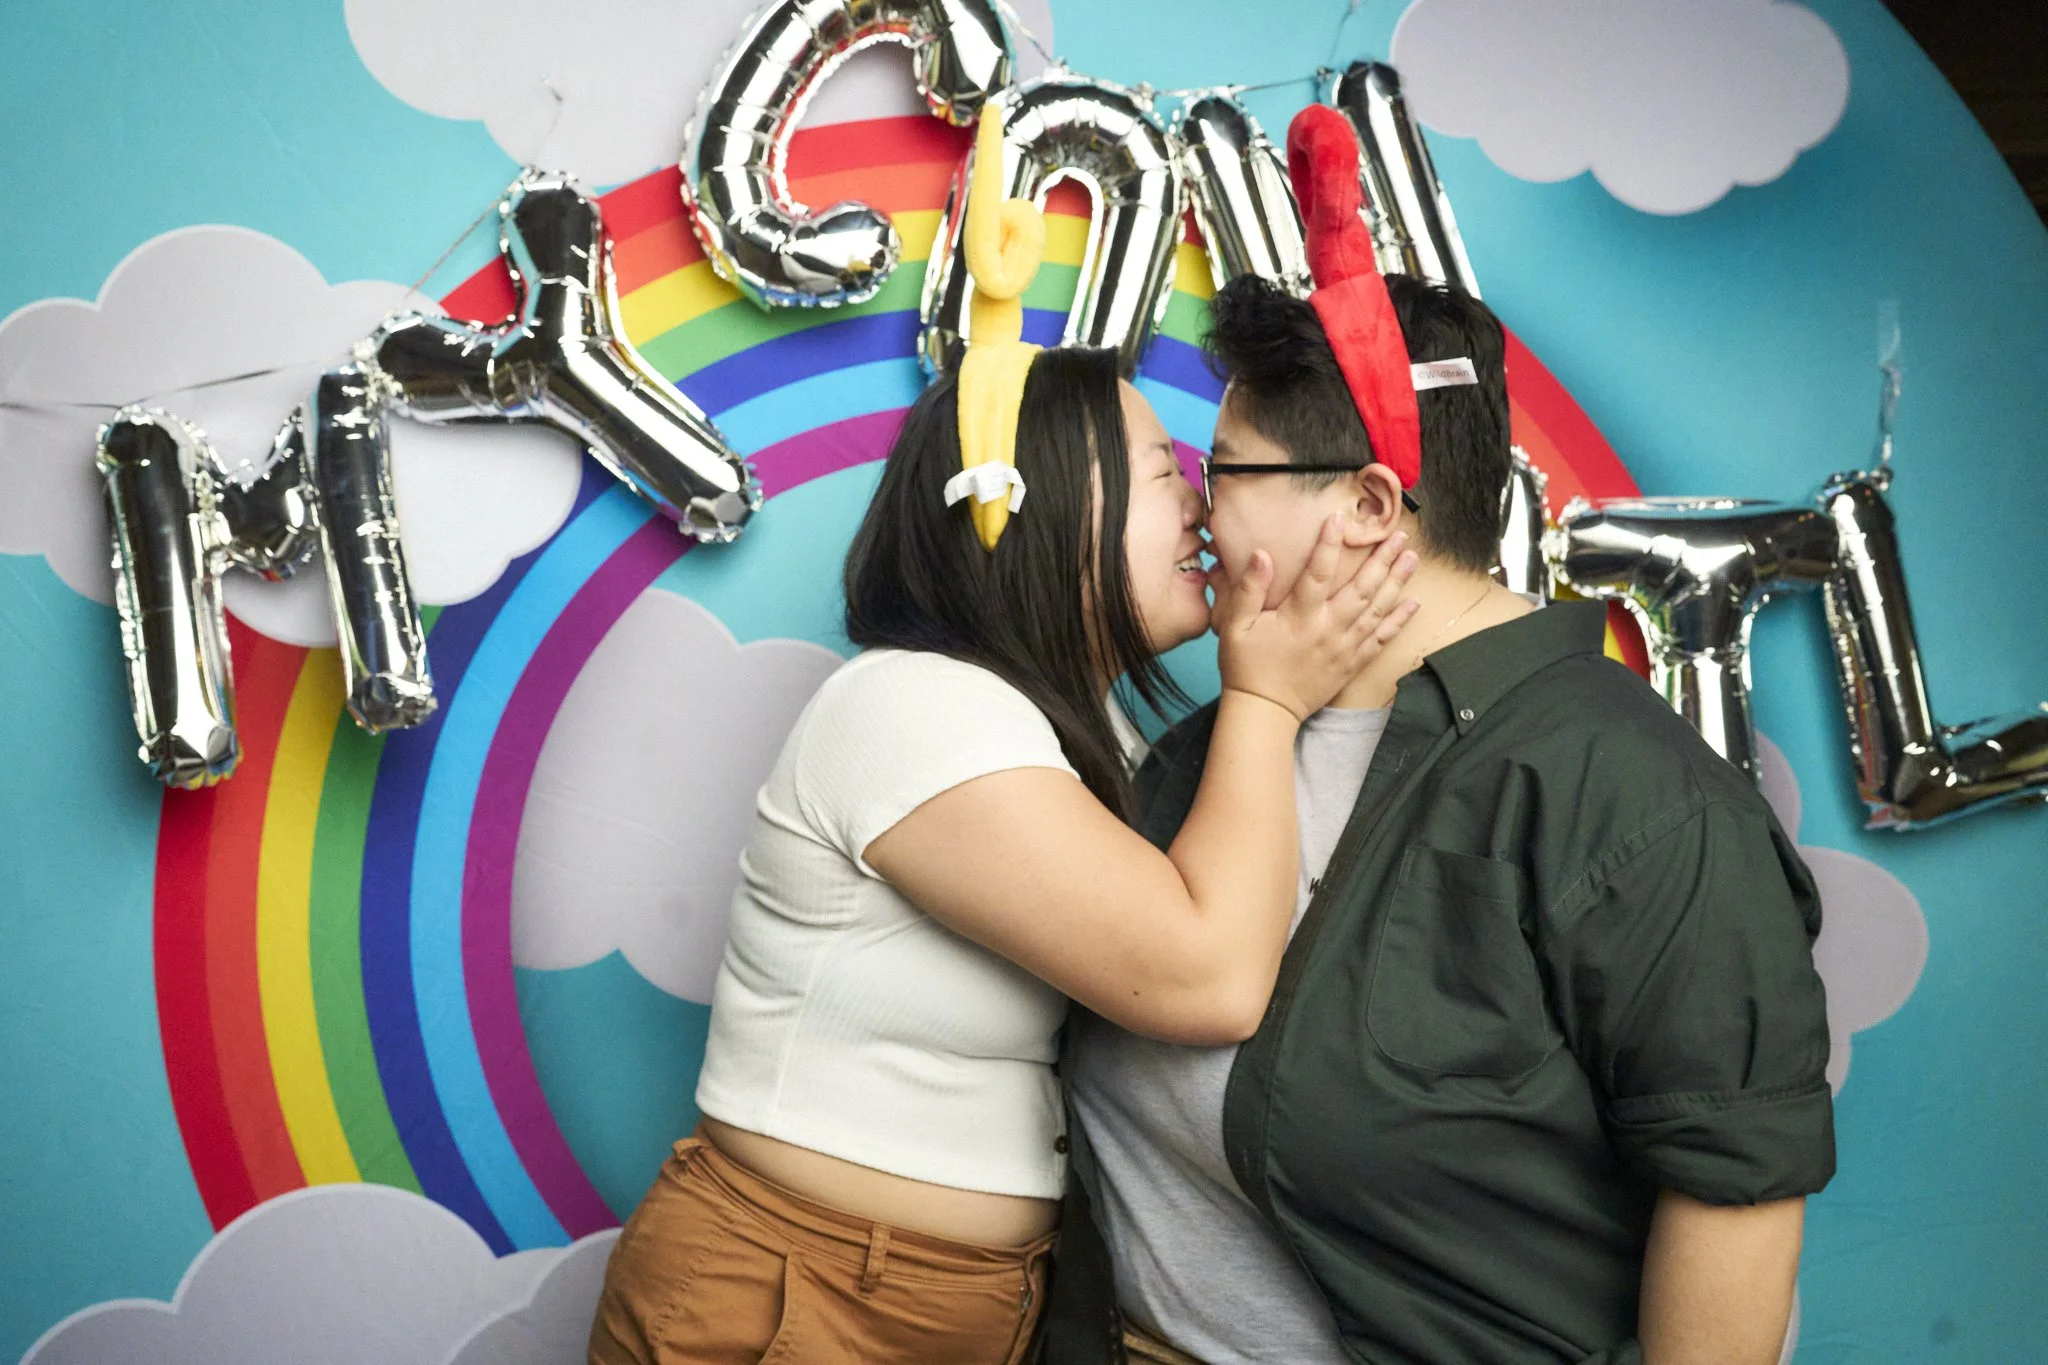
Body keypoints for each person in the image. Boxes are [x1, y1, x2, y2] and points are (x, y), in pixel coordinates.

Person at [585, 109, 1420, 1365]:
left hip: (951, 1305)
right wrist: (1265, 695)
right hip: (799, 1296)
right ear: (1036, 511)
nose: (1203, 508)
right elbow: (1206, 978)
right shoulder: (913, 707)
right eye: (1163, 474)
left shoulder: (1073, 737)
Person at [1045, 105, 1835, 1365]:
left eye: (1223, 472)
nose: (1197, 513)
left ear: (1366, 506)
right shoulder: (1215, 745)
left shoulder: (1629, 796)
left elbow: (1733, 1191)